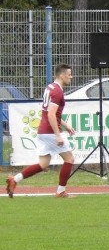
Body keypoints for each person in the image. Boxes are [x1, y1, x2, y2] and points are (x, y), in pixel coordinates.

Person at [6, 64, 76, 198]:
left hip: (42, 131)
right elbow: (50, 114)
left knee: (43, 164)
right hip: (50, 132)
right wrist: (58, 135)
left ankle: (14, 180)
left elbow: (49, 112)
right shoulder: (57, 91)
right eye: (69, 74)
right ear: (61, 75)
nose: (70, 77)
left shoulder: (50, 87)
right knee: (69, 159)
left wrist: (65, 125)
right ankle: (61, 191)